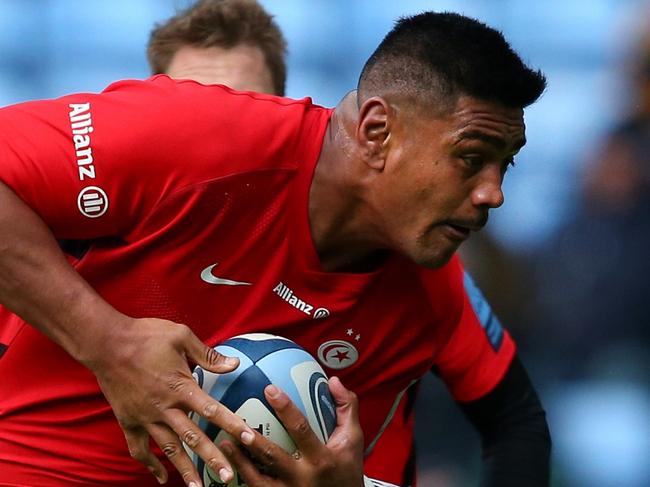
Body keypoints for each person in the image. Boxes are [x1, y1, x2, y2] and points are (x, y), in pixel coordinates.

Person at [0, 11, 551, 487]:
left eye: (507, 163)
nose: (493, 193)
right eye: (471, 157)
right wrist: (108, 341)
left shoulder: (429, 297)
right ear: (377, 131)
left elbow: (517, 423)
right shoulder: (197, 136)